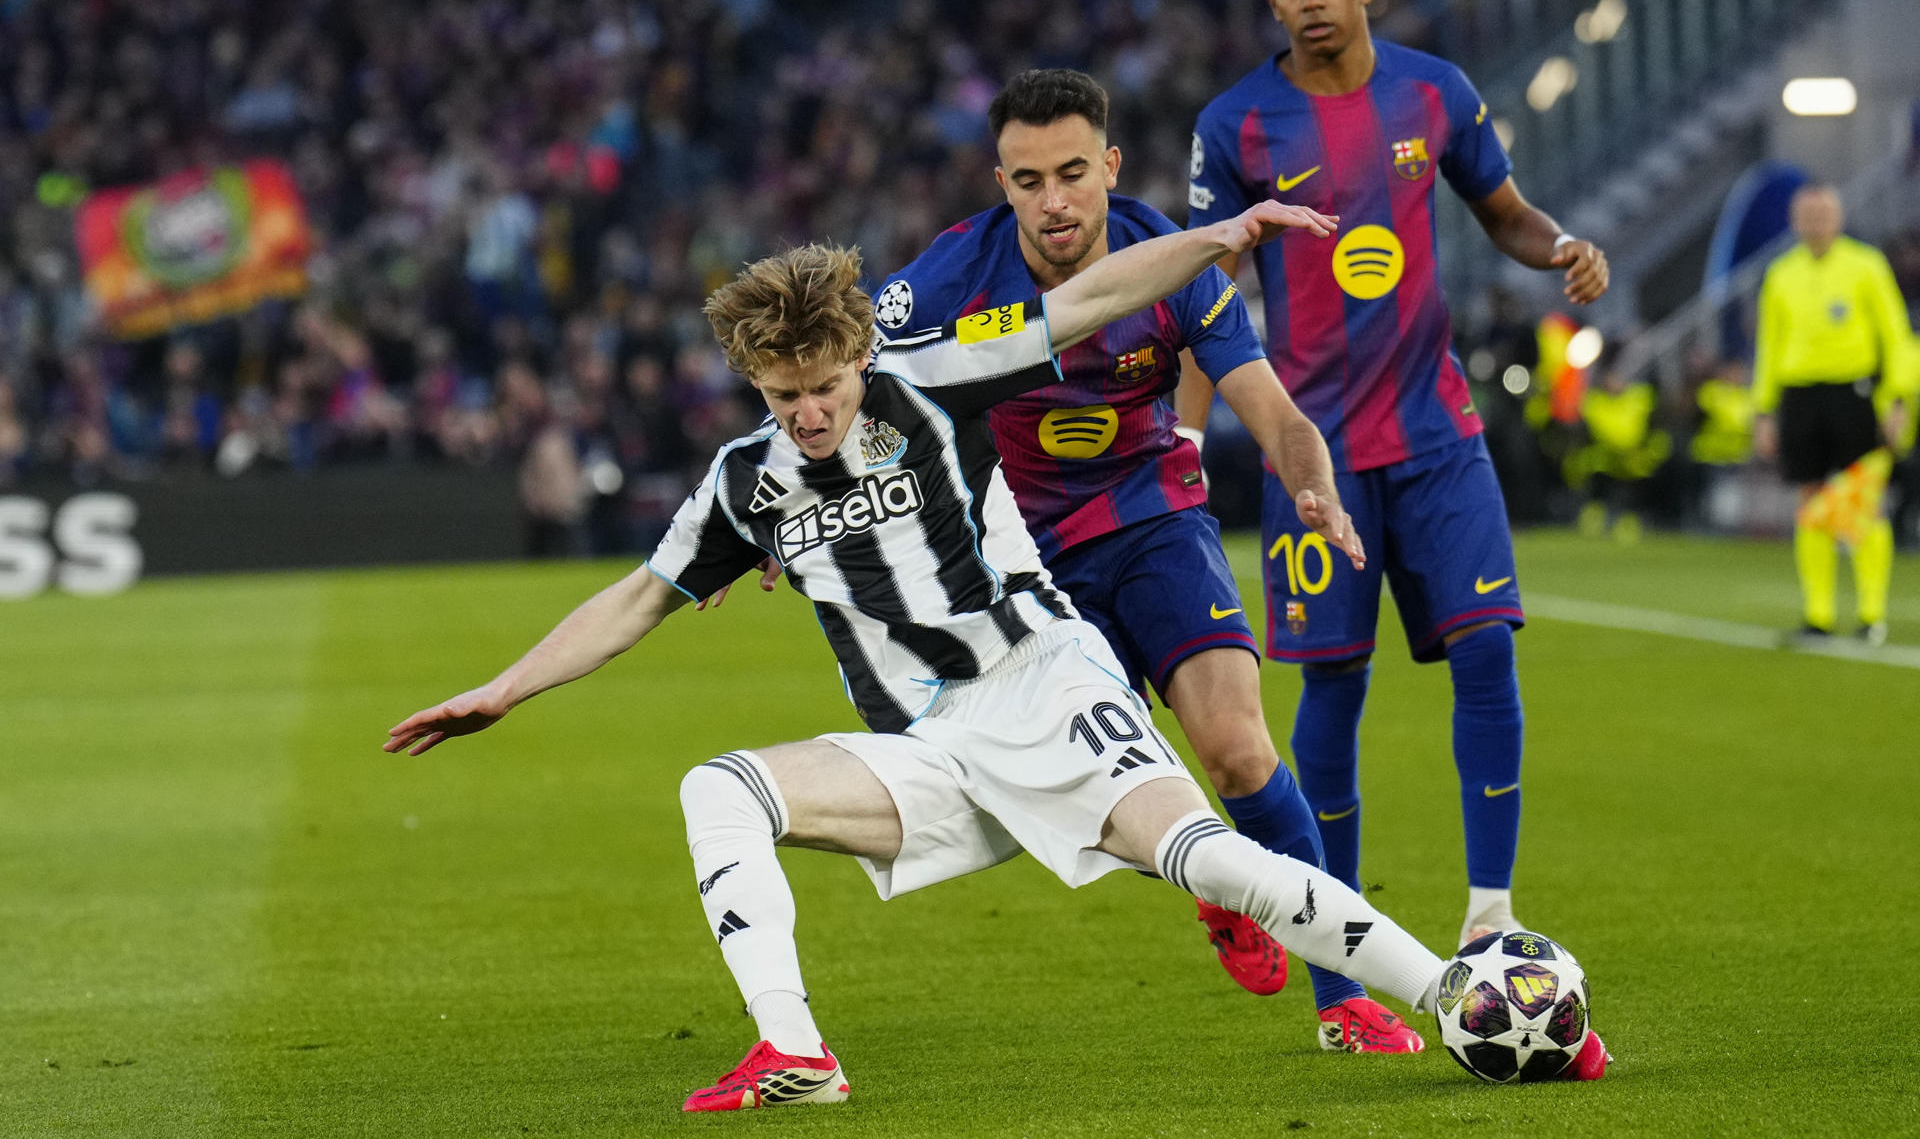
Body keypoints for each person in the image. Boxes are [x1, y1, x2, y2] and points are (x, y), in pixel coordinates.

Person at [384, 208, 1558, 1113]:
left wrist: (1218, 238)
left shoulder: (934, 379)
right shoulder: (745, 482)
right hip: (930, 749)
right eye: (784, 395)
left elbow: (1090, 296)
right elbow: (639, 594)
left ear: (859, 355)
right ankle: (797, 1050)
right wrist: (501, 689)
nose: (809, 415)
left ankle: (1454, 996)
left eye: (826, 387)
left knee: (1209, 857)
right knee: (719, 788)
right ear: (756, 384)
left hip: (1042, 681)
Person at [861, 67, 1422, 1053]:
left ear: (1109, 167)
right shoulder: (944, 279)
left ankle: (1345, 996)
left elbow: (1278, 412)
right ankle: (1219, 890)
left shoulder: (1178, 265)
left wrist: (1313, 483)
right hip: (1024, 559)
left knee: (1242, 750)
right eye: (1029, 180)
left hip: (1154, 518)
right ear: (1002, 182)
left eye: (1073, 172)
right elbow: (846, 389)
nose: (1055, 200)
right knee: (1106, 774)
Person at [1183, 0, 1610, 952]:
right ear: (1271, 1)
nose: (1310, 2)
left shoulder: (1436, 94)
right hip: (1311, 454)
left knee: (1486, 652)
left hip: (1437, 435)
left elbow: (1506, 214)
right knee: (1332, 682)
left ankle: (1491, 917)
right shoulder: (1235, 124)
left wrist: (1563, 248)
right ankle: (1342, 952)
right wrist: (1182, 445)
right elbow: (1200, 294)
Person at [1752, 184, 1916, 644]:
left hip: (1855, 394)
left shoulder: (1866, 265)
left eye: (1824, 213)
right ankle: (1818, 615)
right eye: (1808, 214)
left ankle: (1871, 614)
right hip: (1800, 396)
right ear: (1794, 219)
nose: (1817, 221)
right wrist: (1763, 411)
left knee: (1863, 504)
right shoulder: (1781, 274)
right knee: (1810, 502)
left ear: (1839, 217)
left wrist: (1897, 399)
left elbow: (1896, 335)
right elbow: (1769, 346)